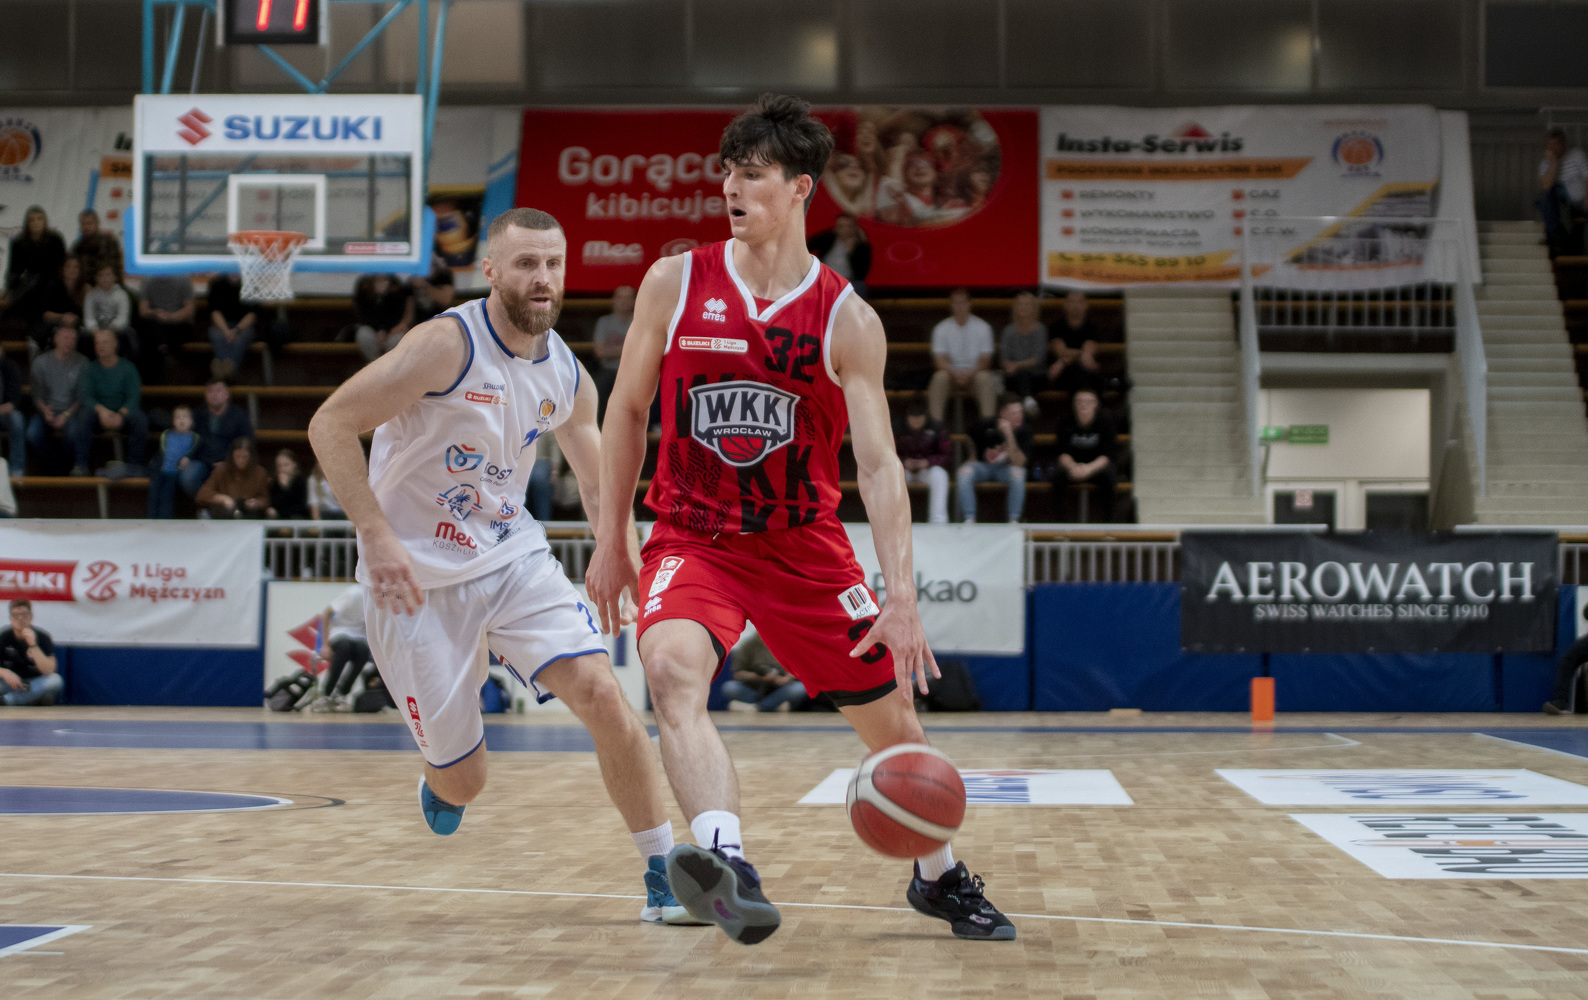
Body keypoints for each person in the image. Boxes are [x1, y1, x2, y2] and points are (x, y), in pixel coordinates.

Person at [587, 93, 1015, 945]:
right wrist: (612, 538)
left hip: (803, 547)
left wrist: (901, 596)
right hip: (695, 536)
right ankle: (727, 865)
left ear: (799, 189)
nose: (731, 189)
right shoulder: (676, 282)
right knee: (669, 671)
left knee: (894, 729)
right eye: (727, 174)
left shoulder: (848, 318)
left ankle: (938, 877)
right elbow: (626, 411)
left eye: (752, 175)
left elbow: (880, 466)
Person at [308, 205, 699, 927]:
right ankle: (443, 780)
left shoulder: (567, 373)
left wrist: (618, 549)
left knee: (604, 695)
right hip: (415, 583)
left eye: (552, 263)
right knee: (465, 783)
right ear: (490, 270)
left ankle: (661, 872)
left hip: (511, 557)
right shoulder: (444, 346)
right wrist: (375, 534)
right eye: (525, 263)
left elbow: (598, 480)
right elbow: (329, 422)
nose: (542, 277)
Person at [71, 328, 147, 477]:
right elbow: (86, 396)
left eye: (105, 342)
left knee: (140, 420)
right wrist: (102, 411)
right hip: (99, 413)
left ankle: (134, 466)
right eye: (97, 343)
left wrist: (121, 414)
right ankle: (80, 465)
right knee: (83, 416)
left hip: (123, 413)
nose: (100, 346)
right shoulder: (90, 369)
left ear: (115, 344)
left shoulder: (128, 368)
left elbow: (133, 397)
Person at [927, 287, 998, 426]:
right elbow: (939, 361)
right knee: (939, 378)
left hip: (974, 375)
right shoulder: (941, 328)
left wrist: (969, 374)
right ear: (951, 305)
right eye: (955, 303)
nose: (959, 306)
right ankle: (935, 428)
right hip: (950, 376)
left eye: (962, 302)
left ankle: (988, 426)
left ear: (969, 304)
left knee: (985, 378)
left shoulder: (983, 327)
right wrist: (955, 372)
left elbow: (985, 360)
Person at [957, 393, 1032, 524]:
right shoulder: (988, 424)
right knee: (964, 472)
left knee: (1019, 474)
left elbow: (1019, 463)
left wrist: (1009, 435)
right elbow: (969, 435)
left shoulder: (1025, 431)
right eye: (1014, 413)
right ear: (1003, 414)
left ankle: (1014, 519)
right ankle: (969, 518)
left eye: (1020, 412)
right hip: (984, 467)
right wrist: (972, 455)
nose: (1019, 417)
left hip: (1005, 470)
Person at [25, 324, 85, 473]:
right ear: (56, 339)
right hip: (47, 411)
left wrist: (66, 414)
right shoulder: (40, 362)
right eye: (66, 338)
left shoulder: (83, 363)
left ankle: (66, 466)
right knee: (32, 433)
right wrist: (45, 410)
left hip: (72, 412)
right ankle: (54, 466)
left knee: (73, 433)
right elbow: (37, 395)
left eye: (73, 339)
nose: (70, 342)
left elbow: (82, 397)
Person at [1057, 388, 1118, 523]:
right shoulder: (1065, 421)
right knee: (1058, 476)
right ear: (1074, 404)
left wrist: (1088, 469)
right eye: (1079, 402)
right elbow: (1062, 453)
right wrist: (1073, 467)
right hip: (1073, 465)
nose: (1083, 405)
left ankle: (1109, 525)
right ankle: (1060, 525)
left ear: (1095, 403)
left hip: (1096, 466)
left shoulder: (1106, 422)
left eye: (1087, 402)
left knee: (1109, 475)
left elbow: (1107, 455)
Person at [186, 379, 254, 498]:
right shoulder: (198, 414)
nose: (214, 394)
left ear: (227, 394)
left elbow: (247, 442)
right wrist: (188, 457)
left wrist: (230, 462)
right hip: (202, 461)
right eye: (210, 391)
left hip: (228, 462)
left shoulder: (239, 415)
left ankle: (213, 503)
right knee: (187, 476)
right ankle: (212, 501)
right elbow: (189, 439)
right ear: (205, 395)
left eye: (218, 390)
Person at [310, 584, 371, 713]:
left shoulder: (380, 598)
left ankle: (342, 694)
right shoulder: (354, 594)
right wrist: (325, 645)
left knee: (363, 652)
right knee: (344, 648)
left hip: (359, 636)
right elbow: (326, 613)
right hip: (340, 632)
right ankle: (326, 694)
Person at [4, 206, 66, 326]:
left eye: (39, 219)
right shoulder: (18, 243)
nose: (36, 223)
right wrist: (9, 289)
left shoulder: (55, 240)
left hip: (51, 284)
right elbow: (14, 270)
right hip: (29, 285)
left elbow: (61, 267)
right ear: (27, 223)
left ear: (44, 221)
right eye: (32, 220)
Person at [894, 395, 951, 525]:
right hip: (903, 470)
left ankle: (938, 521)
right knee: (891, 475)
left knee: (940, 475)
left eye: (919, 417)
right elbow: (887, 453)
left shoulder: (936, 428)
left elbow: (947, 456)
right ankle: (895, 521)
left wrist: (928, 462)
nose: (916, 420)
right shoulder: (897, 427)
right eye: (912, 417)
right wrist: (903, 462)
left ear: (925, 416)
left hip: (927, 470)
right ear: (907, 416)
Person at [721, 632, 808, 712]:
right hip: (753, 688)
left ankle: (756, 708)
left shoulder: (787, 643)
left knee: (799, 688)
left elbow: (798, 670)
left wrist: (786, 678)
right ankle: (774, 706)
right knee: (730, 687)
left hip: (779, 689)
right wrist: (758, 677)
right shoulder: (747, 645)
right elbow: (738, 674)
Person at [135, 272, 196, 385]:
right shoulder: (148, 278)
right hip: (156, 324)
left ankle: (165, 351)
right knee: (147, 328)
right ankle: (162, 355)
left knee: (162, 334)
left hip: (179, 323)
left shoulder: (183, 277)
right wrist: (156, 313)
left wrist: (172, 317)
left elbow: (190, 309)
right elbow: (143, 310)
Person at [0, 599, 63, 707]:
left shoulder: (43, 637)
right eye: (16, 615)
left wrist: (33, 645)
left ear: (31, 616)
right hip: (11, 683)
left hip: (34, 683)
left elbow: (49, 670)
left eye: (24, 615)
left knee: (55, 681)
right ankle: (31, 699)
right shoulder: (3, 636)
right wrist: (4, 672)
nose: (20, 619)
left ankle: (9, 700)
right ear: (11, 618)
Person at [1538, 128, 1588, 256]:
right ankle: (1554, 239)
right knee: (1545, 196)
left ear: (1563, 143)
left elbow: (1587, 177)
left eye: (1556, 144)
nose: (1553, 148)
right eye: (1550, 145)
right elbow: (1546, 187)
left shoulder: (1576, 155)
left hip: (1580, 200)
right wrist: (1553, 164)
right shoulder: (1545, 164)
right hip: (1561, 204)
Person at [196, 437, 270, 518]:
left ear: (251, 457)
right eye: (237, 456)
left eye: (245, 457)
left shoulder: (260, 472)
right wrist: (223, 499)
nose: (240, 460)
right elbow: (202, 494)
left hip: (248, 514)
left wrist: (256, 502)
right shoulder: (221, 469)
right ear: (232, 456)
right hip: (223, 513)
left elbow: (266, 499)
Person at [592, 285, 635, 423]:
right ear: (614, 300)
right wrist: (629, 349)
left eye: (628, 298)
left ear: (634, 301)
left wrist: (611, 351)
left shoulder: (639, 322)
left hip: (633, 371)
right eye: (620, 297)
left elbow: (644, 351)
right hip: (608, 370)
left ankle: (651, 428)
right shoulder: (604, 322)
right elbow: (599, 352)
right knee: (595, 388)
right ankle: (597, 425)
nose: (624, 301)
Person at [147, 404, 199, 519]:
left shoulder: (194, 437)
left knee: (167, 497)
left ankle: (165, 520)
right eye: (178, 417)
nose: (181, 420)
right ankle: (151, 519)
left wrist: (187, 459)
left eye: (184, 417)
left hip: (175, 472)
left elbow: (193, 452)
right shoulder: (166, 435)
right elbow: (162, 451)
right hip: (161, 470)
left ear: (191, 421)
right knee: (154, 494)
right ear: (173, 421)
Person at [1000, 291, 1048, 411]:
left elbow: (1037, 359)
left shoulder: (1040, 330)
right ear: (1015, 308)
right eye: (1020, 304)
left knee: (1024, 375)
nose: (1023, 307)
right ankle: (1028, 402)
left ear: (1034, 308)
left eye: (1027, 304)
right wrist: (1009, 366)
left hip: (1036, 376)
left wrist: (1016, 365)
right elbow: (1004, 358)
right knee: (1018, 377)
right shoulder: (1008, 331)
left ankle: (1026, 401)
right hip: (1014, 377)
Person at [807, 213, 871, 300]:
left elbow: (861, 274)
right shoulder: (828, 239)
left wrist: (851, 253)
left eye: (849, 226)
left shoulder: (861, 246)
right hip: (826, 280)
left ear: (854, 228)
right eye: (841, 226)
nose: (845, 230)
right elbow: (807, 245)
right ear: (836, 228)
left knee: (859, 286)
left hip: (849, 283)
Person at [353, 273, 414, 362]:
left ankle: (389, 365)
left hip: (392, 330)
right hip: (372, 330)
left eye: (385, 280)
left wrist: (385, 330)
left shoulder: (396, 289)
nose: (383, 284)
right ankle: (374, 365)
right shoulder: (364, 288)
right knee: (363, 334)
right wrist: (378, 330)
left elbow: (397, 314)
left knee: (399, 337)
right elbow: (363, 315)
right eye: (379, 280)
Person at [206, 273, 256, 382]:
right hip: (222, 325)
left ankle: (223, 371)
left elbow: (252, 315)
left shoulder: (251, 285)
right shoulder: (216, 284)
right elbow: (215, 312)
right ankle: (227, 370)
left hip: (243, 326)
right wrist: (226, 330)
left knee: (239, 338)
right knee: (217, 335)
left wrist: (236, 330)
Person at [1048, 290, 1102, 390]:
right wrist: (1080, 355)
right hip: (1063, 373)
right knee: (1077, 373)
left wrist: (1063, 361)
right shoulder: (1056, 326)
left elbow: (1088, 353)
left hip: (1083, 370)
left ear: (1085, 305)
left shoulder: (1092, 327)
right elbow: (1062, 352)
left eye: (1079, 302)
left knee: (1090, 375)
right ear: (1065, 304)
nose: (1075, 305)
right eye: (1072, 301)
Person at [28, 256, 82, 353]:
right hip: (53, 324)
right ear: (63, 269)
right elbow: (45, 314)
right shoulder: (53, 286)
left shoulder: (83, 288)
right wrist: (63, 317)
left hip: (76, 327)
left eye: (75, 267)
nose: (72, 270)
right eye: (69, 267)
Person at [82, 265, 136, 360]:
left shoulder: (122, 295)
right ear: (96, 278)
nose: (105, 279)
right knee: (84, 335)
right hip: (96, 330)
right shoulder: (91, 295)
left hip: (116, 330)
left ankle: (125, 363)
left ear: (114, 277)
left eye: (108, 275)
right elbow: (88, 318)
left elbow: (123, 319)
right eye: (101, 275)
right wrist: (96, 331)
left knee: (127, 333)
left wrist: (110, 331)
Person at [71, 209, 123, 282]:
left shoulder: (109, 243)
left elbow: (114, 270)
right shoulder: (77, 247)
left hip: (106, 284)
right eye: (83, 224)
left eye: (89, 223)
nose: (86, 227)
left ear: (97, 223)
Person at [410, 255, 455, 325]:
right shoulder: (411, 276)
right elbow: (409, 306)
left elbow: (446, 300)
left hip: (439, 321)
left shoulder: (443, 275)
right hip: (417, 322)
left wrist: (425, 285)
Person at [0, 339, 23, 476]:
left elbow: (14, 403)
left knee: (17, 419)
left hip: (5, 414)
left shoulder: (10, 367)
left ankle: (17, 470)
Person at [267, 447, 310, 519]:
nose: (282, 469)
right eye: (279, 466)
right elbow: (275, 504)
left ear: (294, 465)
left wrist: (286, 488)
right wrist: (282, 487)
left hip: (297, 518)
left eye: (286, 465)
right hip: (279, 519)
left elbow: (301, 507)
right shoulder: (274, 484)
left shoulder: (301, 483)